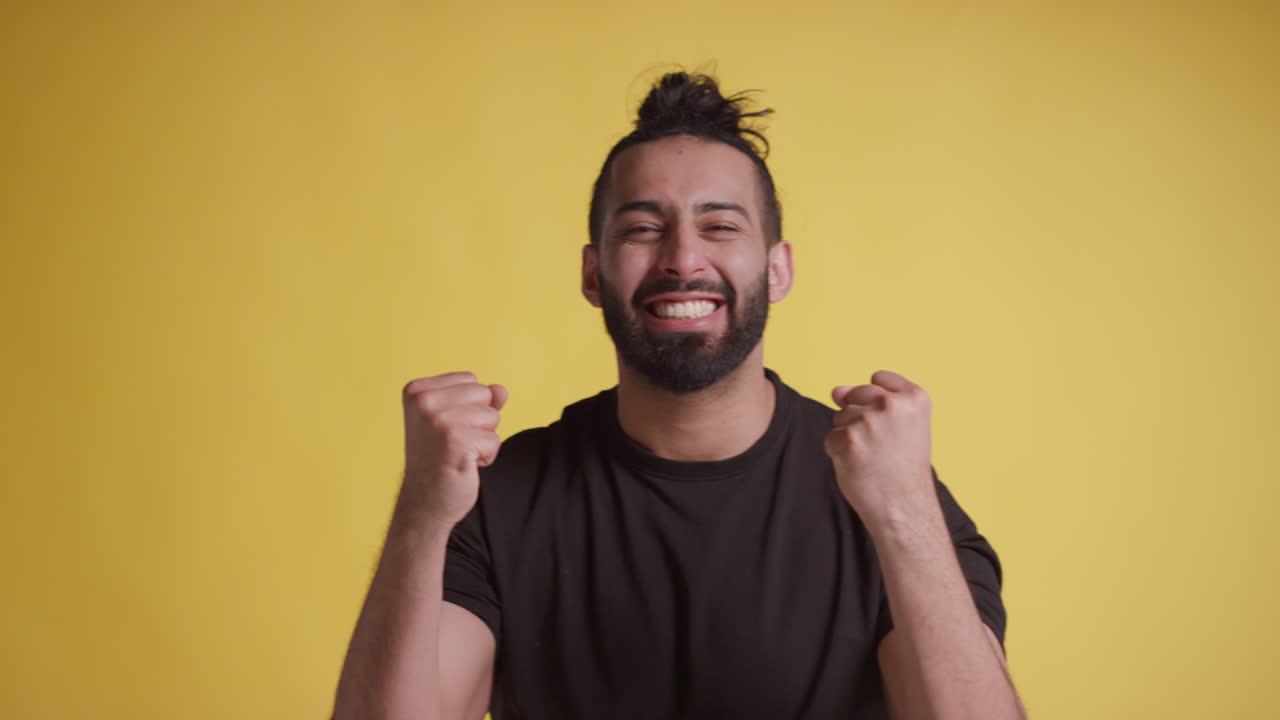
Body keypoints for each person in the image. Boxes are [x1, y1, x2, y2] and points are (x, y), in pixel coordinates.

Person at [333, 71, 1025, 720]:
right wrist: (421, 515)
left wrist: (904, 515)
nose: (684, 259)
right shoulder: (500, 494)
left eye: (720, 227)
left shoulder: (885, 492)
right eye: (642, 229)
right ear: (592, 274)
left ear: (777, 270)